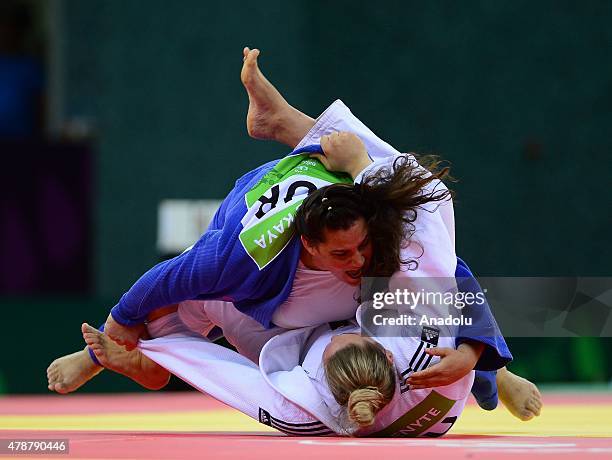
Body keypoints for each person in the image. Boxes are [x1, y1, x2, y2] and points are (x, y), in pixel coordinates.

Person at [47, 47, 541, 421]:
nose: (358, 260)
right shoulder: (233, 260)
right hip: (270, 296)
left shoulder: (380, 242)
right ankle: (135, 363)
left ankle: (284, 122)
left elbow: (450, 278)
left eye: (361, 247)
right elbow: (155, 284)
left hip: (334, 181)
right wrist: (101, 347)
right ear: (310, 247)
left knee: (412, 202)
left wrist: (477, 358)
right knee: (165, 321)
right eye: (343, 253)